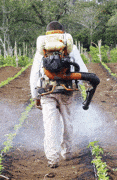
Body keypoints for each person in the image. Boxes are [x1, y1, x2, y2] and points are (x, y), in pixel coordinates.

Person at [30, 21, 88, 168]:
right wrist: (82, 86)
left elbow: (34, 74)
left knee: (50, 124)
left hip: (47, 91)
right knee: (68, 123)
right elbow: (82, 69)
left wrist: (35, 95)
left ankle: (52, 158)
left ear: (47, 32)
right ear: (63, 32)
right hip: (66, 91)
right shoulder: (70, 47)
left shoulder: (42, 49)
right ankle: (66, 153)